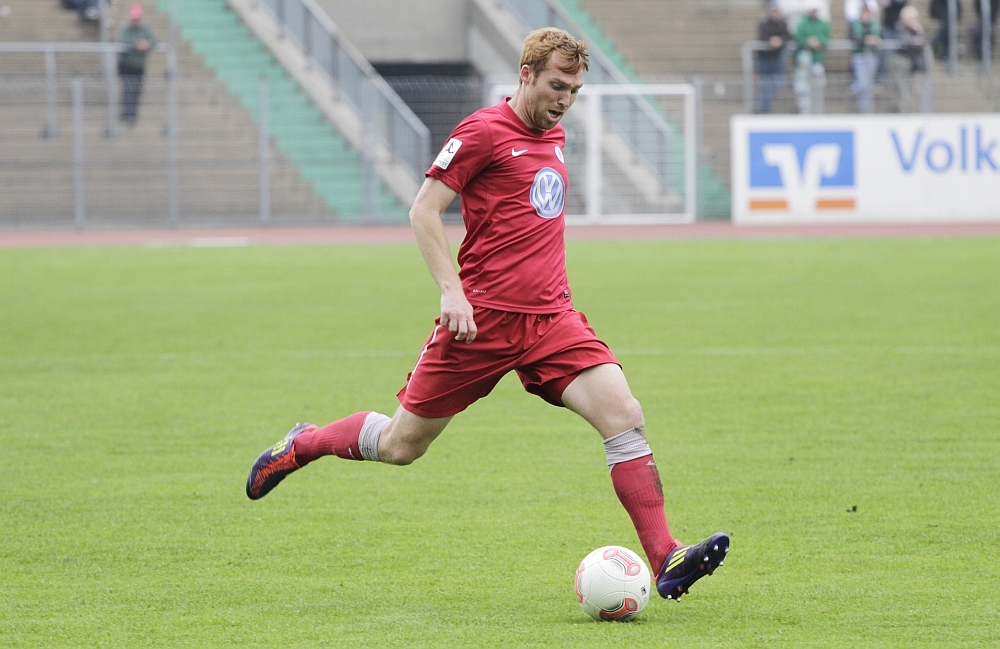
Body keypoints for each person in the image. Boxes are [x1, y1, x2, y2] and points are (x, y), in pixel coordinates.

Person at [246, 27, 729, 602]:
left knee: (624, 415)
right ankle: (304, 443)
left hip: (551, 319)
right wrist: (451, 292)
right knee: (401, 445)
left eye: (574, 90)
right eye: (557, 86)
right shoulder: (482, 131)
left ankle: (666, 556)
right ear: (526, 74)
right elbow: (424, 210)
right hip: (480, 322)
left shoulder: (555, 135)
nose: (565, 100)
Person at [117, 4, 156, 127]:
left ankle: (132, 114)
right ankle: (127, 114)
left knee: (137, 91)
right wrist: (136, 45)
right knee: (128, 90)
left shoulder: (144, 30)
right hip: (126, 66)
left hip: (139, 67)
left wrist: (147, 44)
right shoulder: (125, 29)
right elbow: (122, 41)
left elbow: (154, 40)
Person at [794, 1, 831, 113]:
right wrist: (807, 41)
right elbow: (798, 37)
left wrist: (819, 41)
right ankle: (804, 111)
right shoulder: (802, 23)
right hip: (804, 60)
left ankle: (817, 110)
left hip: (817, 59)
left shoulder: (822, 23)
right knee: (802, 86)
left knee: (818, 85)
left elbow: (827, 37)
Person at [756, 1, 792, 113]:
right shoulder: (764, 23)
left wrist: (780, 40)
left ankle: (760, 104)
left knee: (778, 82)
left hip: (777, 58)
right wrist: (770, 40)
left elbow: (787, 37)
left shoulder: (783, 24)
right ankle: (765, 110)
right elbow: (761, 37)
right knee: (764, 85)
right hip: (765, 58)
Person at [891, 5, 928, 111]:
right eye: (911, 18)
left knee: (914, 90)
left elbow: (922, 42)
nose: (913, 21)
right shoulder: (899, 27)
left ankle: (909, 111)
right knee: (903, 89)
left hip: (914, 62)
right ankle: (903, 112)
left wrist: (918, 31)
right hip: (901, 61)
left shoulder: (916, 29)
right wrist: (913, 41)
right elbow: (902, 41)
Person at [849, 5, 882, 112]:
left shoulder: (875, 24)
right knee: (863, 82)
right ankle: (855, 90)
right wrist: (865, 40)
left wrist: (875, 40)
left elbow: (879, 36)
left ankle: (864, 107)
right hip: (859, 55)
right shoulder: (856, 24)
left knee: (868, 83)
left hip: (871, 55)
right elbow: (853, 38)